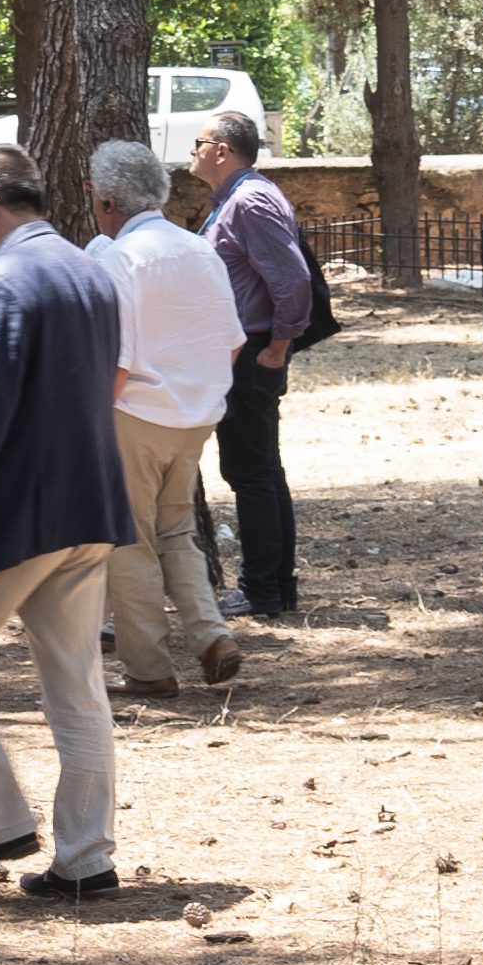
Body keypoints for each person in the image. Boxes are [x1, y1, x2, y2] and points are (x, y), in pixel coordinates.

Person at [0, 138, 141, 892]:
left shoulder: (3, 281)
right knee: (78, 686)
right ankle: (86, 858)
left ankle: (3, 820)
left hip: (21, 514)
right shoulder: (88, 269)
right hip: (90, 505)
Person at [89, 138, 244, 698]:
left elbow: (116, 360)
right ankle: (211, 635)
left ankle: (149, 667)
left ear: (106, 201)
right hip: (195, 417)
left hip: (135, 413)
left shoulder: (115, 258)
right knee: (176, 530)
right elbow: (232, 342)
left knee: (130, 542)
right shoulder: (199, 248)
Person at [193, 110, 316, 619]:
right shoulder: (238, 199)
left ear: (223, 150)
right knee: (261, 471)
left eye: (199, 142)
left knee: (251, 474)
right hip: (247, 349)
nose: (192, 151)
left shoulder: (249, 200)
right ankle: (274, 587)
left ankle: (262, 588)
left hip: (252, 352)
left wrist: (276, 348)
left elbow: (294, 281)